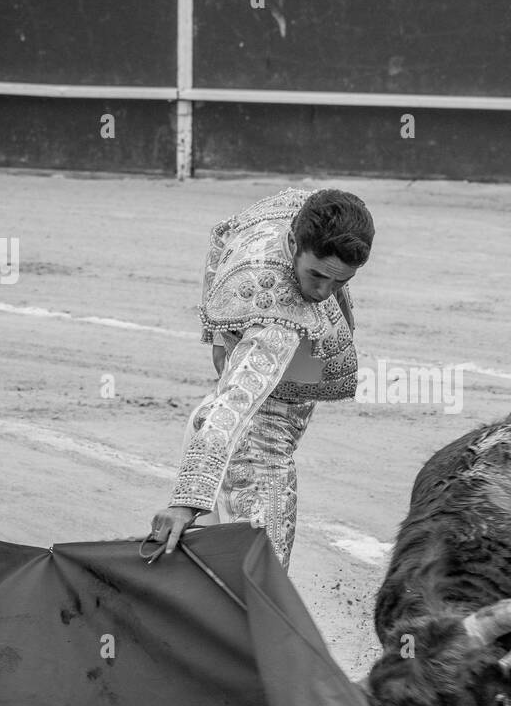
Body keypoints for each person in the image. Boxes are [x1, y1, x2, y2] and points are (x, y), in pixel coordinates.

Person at [151, 187, 376, 571]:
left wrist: (218, 333)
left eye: (340, 282)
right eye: (317, 275)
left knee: (213, 575)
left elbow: (223, 233)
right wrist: (186, 501)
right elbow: (235, 405)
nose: (322, 293)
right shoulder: (280, 318)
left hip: (223, 421)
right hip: (254, 449)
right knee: (261, 586)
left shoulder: (291, 213)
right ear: (293, 242)